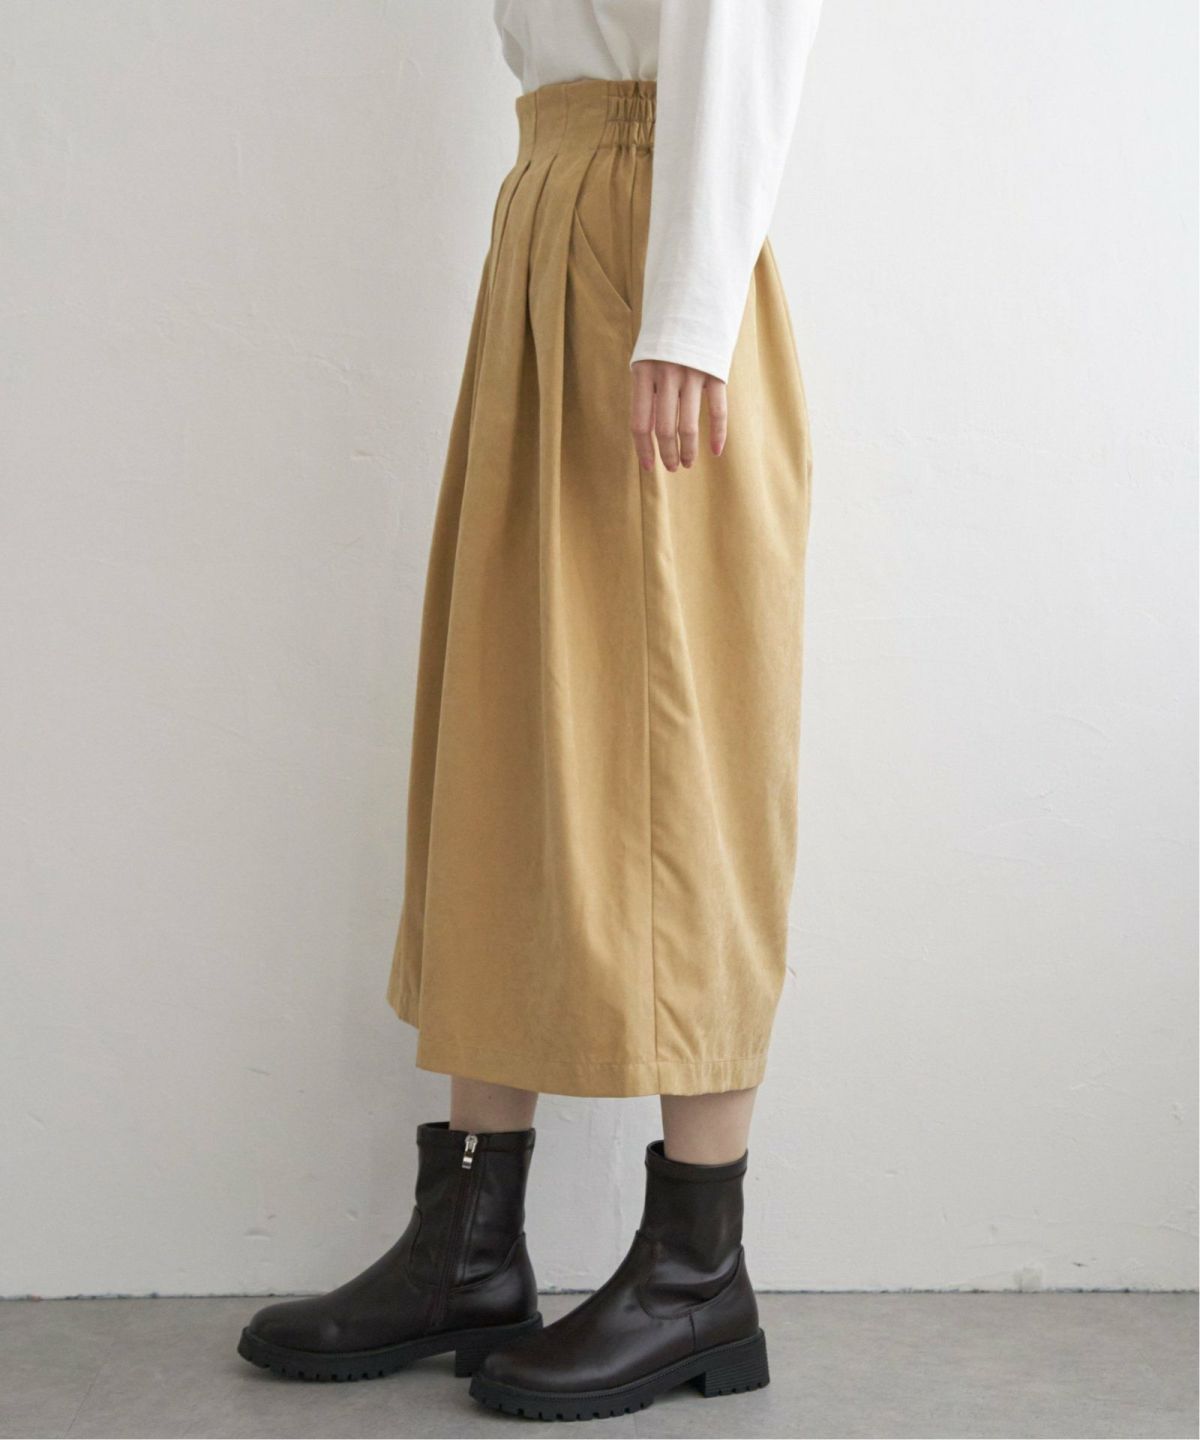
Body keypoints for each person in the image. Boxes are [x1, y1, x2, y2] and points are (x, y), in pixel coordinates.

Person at [238, 0, 822, 1420]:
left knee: (681, 752)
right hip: (552, 218)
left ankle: (697, 1267)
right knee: (503, 736)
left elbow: (743, 36)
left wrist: (691, 310)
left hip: (649, 235)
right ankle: (472, 1248)